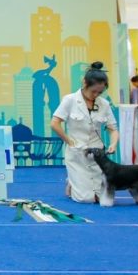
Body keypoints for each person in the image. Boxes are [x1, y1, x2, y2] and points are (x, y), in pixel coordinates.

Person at [50, 62, 120, 204]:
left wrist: (113, 143)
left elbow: (113, 129)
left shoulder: (104, 104)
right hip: (77, 153)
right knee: (85, 199)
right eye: (93, 91)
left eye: (100, 92)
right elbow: (54, 123)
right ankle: (71, 181)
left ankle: (77, 182)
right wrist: (69, 141)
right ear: (84, 83)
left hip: (98, 156)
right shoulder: (69, 100)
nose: (96, 95)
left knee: (103, 199)